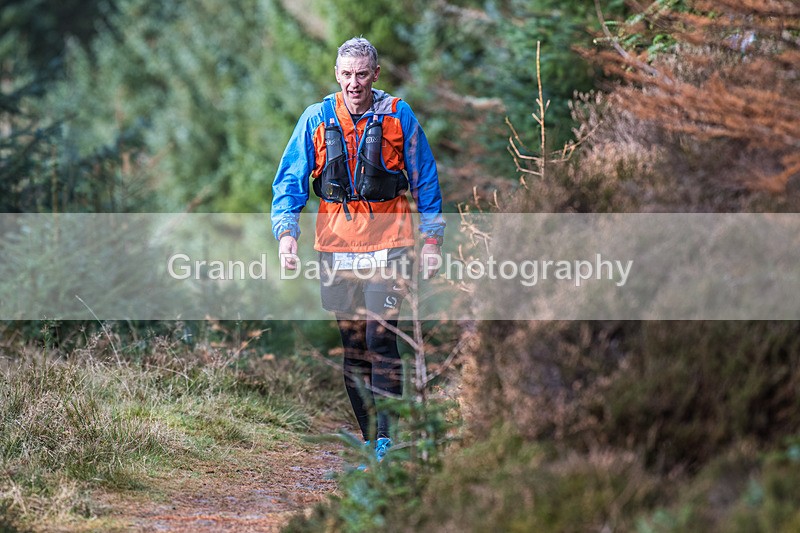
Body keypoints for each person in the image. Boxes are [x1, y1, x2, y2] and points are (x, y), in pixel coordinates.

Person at [271, 37, 445, 462]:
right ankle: (368, 438)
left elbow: (425, 178)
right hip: (335, 245)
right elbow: (289, 183)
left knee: (380, 339)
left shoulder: (398, 115)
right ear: (336, 75)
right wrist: (287, 234)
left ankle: (387, 440)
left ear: (375, 75)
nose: (354, 83)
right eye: (346, 74)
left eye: (362, 74)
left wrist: (433, 240)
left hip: (391, 241)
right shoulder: (316, 118)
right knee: (352, 345)